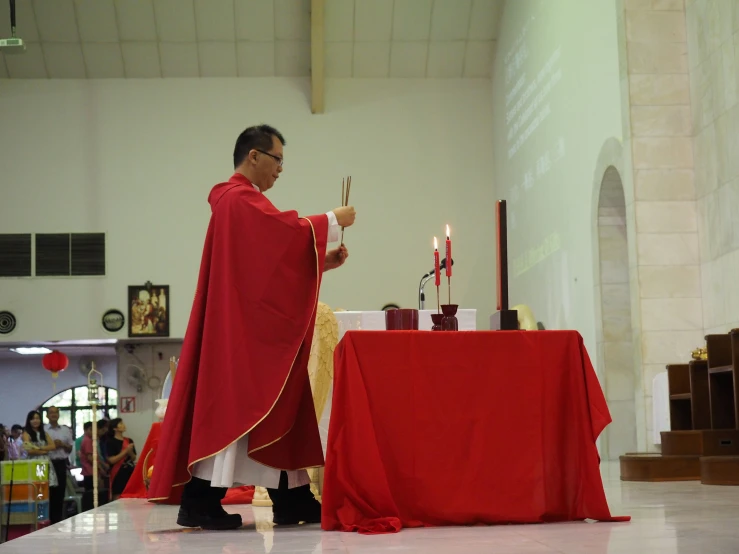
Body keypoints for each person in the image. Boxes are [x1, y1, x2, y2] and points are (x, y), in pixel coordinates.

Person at [148, 124, 356, 530]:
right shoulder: (235, 198)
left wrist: (320, 261)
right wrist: (332, 218)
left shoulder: (243, 203)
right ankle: (200, 501)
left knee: (279, 403)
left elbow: (268, 262)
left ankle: (292, 499)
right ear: (254, 156)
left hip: (246, 326)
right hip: (240, 334)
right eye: (278, 160)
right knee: (245, 405)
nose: (281, 169)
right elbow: (280, 232)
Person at [44, 406, 73, 524]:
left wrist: (62, 445)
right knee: (47, 492)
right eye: (51, 413)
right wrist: (51, 446)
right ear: (47, 415)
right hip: (47, 463)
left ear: (59, 415)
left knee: (60, 493)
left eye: (56, 412)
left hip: (61, 463)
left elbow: (70, 449)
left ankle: (57, 520)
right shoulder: (43, 430)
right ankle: (46, 520)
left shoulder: (65, 430)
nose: (53, 415)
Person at [21, 411, 58, 490]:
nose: (35, 421)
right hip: (34, 462)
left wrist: (39, 448)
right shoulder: (26, 434)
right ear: (29, 421)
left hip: (46, 461)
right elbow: (29, 450)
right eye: (33, 419)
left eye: (37, 418)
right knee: (37, 487)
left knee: (47, 487)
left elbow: (53, 446)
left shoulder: (44, 433)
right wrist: (45, 450)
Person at [105, 418, 136, 500]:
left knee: (130, 496)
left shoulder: (129, 440)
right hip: (118, 473)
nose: (123, 425)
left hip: (129, 471)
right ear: (115, 428)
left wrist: (130, 452)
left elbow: (133, 458)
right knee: (118, 497)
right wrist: (126, 451)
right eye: (120, 424)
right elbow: (111, 460)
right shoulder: (110, 442)